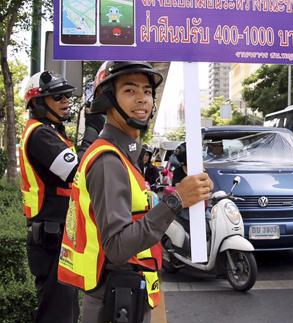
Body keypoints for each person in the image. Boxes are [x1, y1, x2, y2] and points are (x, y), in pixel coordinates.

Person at [57, 61, 213, 323]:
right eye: (130, 91)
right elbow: (117, 246)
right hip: (116, 300)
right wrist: (176, 200)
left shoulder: (124, 155)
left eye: (147, 92)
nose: (142, 99)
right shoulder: (108, 161)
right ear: (108, 100)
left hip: (134, 291)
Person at [20, 71, 104, 323]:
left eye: (67, 95)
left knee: (65, 311)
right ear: (37, 103)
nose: (66, 100)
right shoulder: (40, 135)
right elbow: (76, 171)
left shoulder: (52, 133)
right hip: (50, 237)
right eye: (57, 96)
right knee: (57, 314)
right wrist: (92, 130)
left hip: (58, 234)